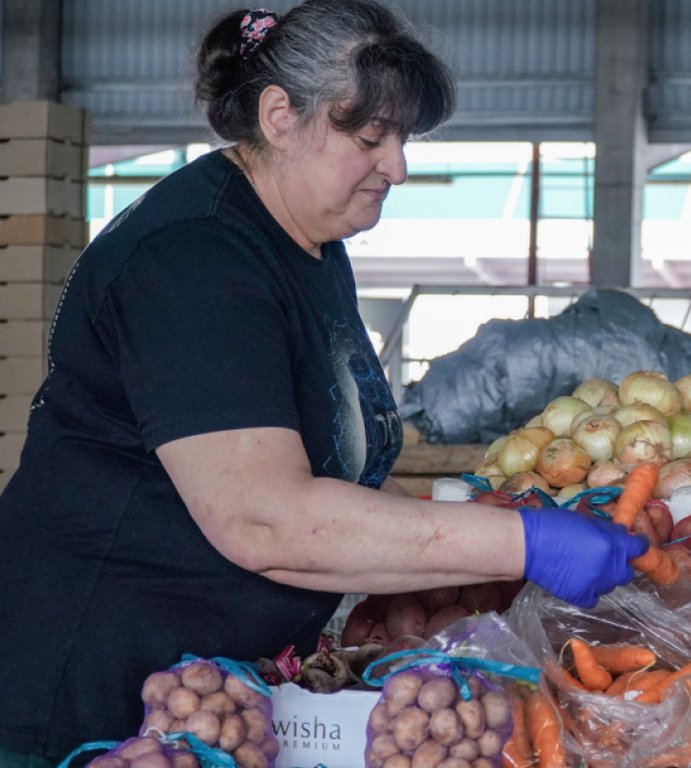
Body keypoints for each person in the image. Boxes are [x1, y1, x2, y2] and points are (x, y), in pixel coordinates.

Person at [0, 3, 646, 764]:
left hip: (211, 699)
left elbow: (333, 463)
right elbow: (264, 519)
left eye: (402, 139)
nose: (397, 167)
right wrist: (521, 544)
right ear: (280, 116)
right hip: (92, 693)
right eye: (370, 138)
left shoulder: (305, 242)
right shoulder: (193, 258)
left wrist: (453, 550)